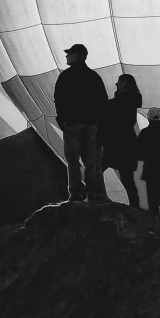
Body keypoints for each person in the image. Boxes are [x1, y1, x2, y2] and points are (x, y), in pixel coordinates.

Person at [53, 43, 108, 202]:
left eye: (69, 53)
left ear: (78, 55)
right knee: (92, 162)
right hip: (91, 125)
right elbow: (102, 102)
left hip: (72, 125)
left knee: (72, 161)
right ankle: (93, 193)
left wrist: (62, 120)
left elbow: (59, 99)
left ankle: (76, 193)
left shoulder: (65, 76)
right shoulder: (93, 77)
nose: (66, 56)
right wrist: (100, 125)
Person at [101, 73, 142, 207]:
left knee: (96, 170)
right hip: (125, 146)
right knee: (129, 182)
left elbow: (113, 119)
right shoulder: (129, 101)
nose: (116, 84)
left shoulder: (122, 102)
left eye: (119, 81)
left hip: (118, 145)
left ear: (125, 84)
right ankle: (135, 210)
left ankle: (93, 197)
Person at [137, 107, 160, 223]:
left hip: (150, 174)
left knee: (153, 206)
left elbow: (139, 154)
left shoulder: (144, 134)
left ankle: (156, 233)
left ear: (148, 118)